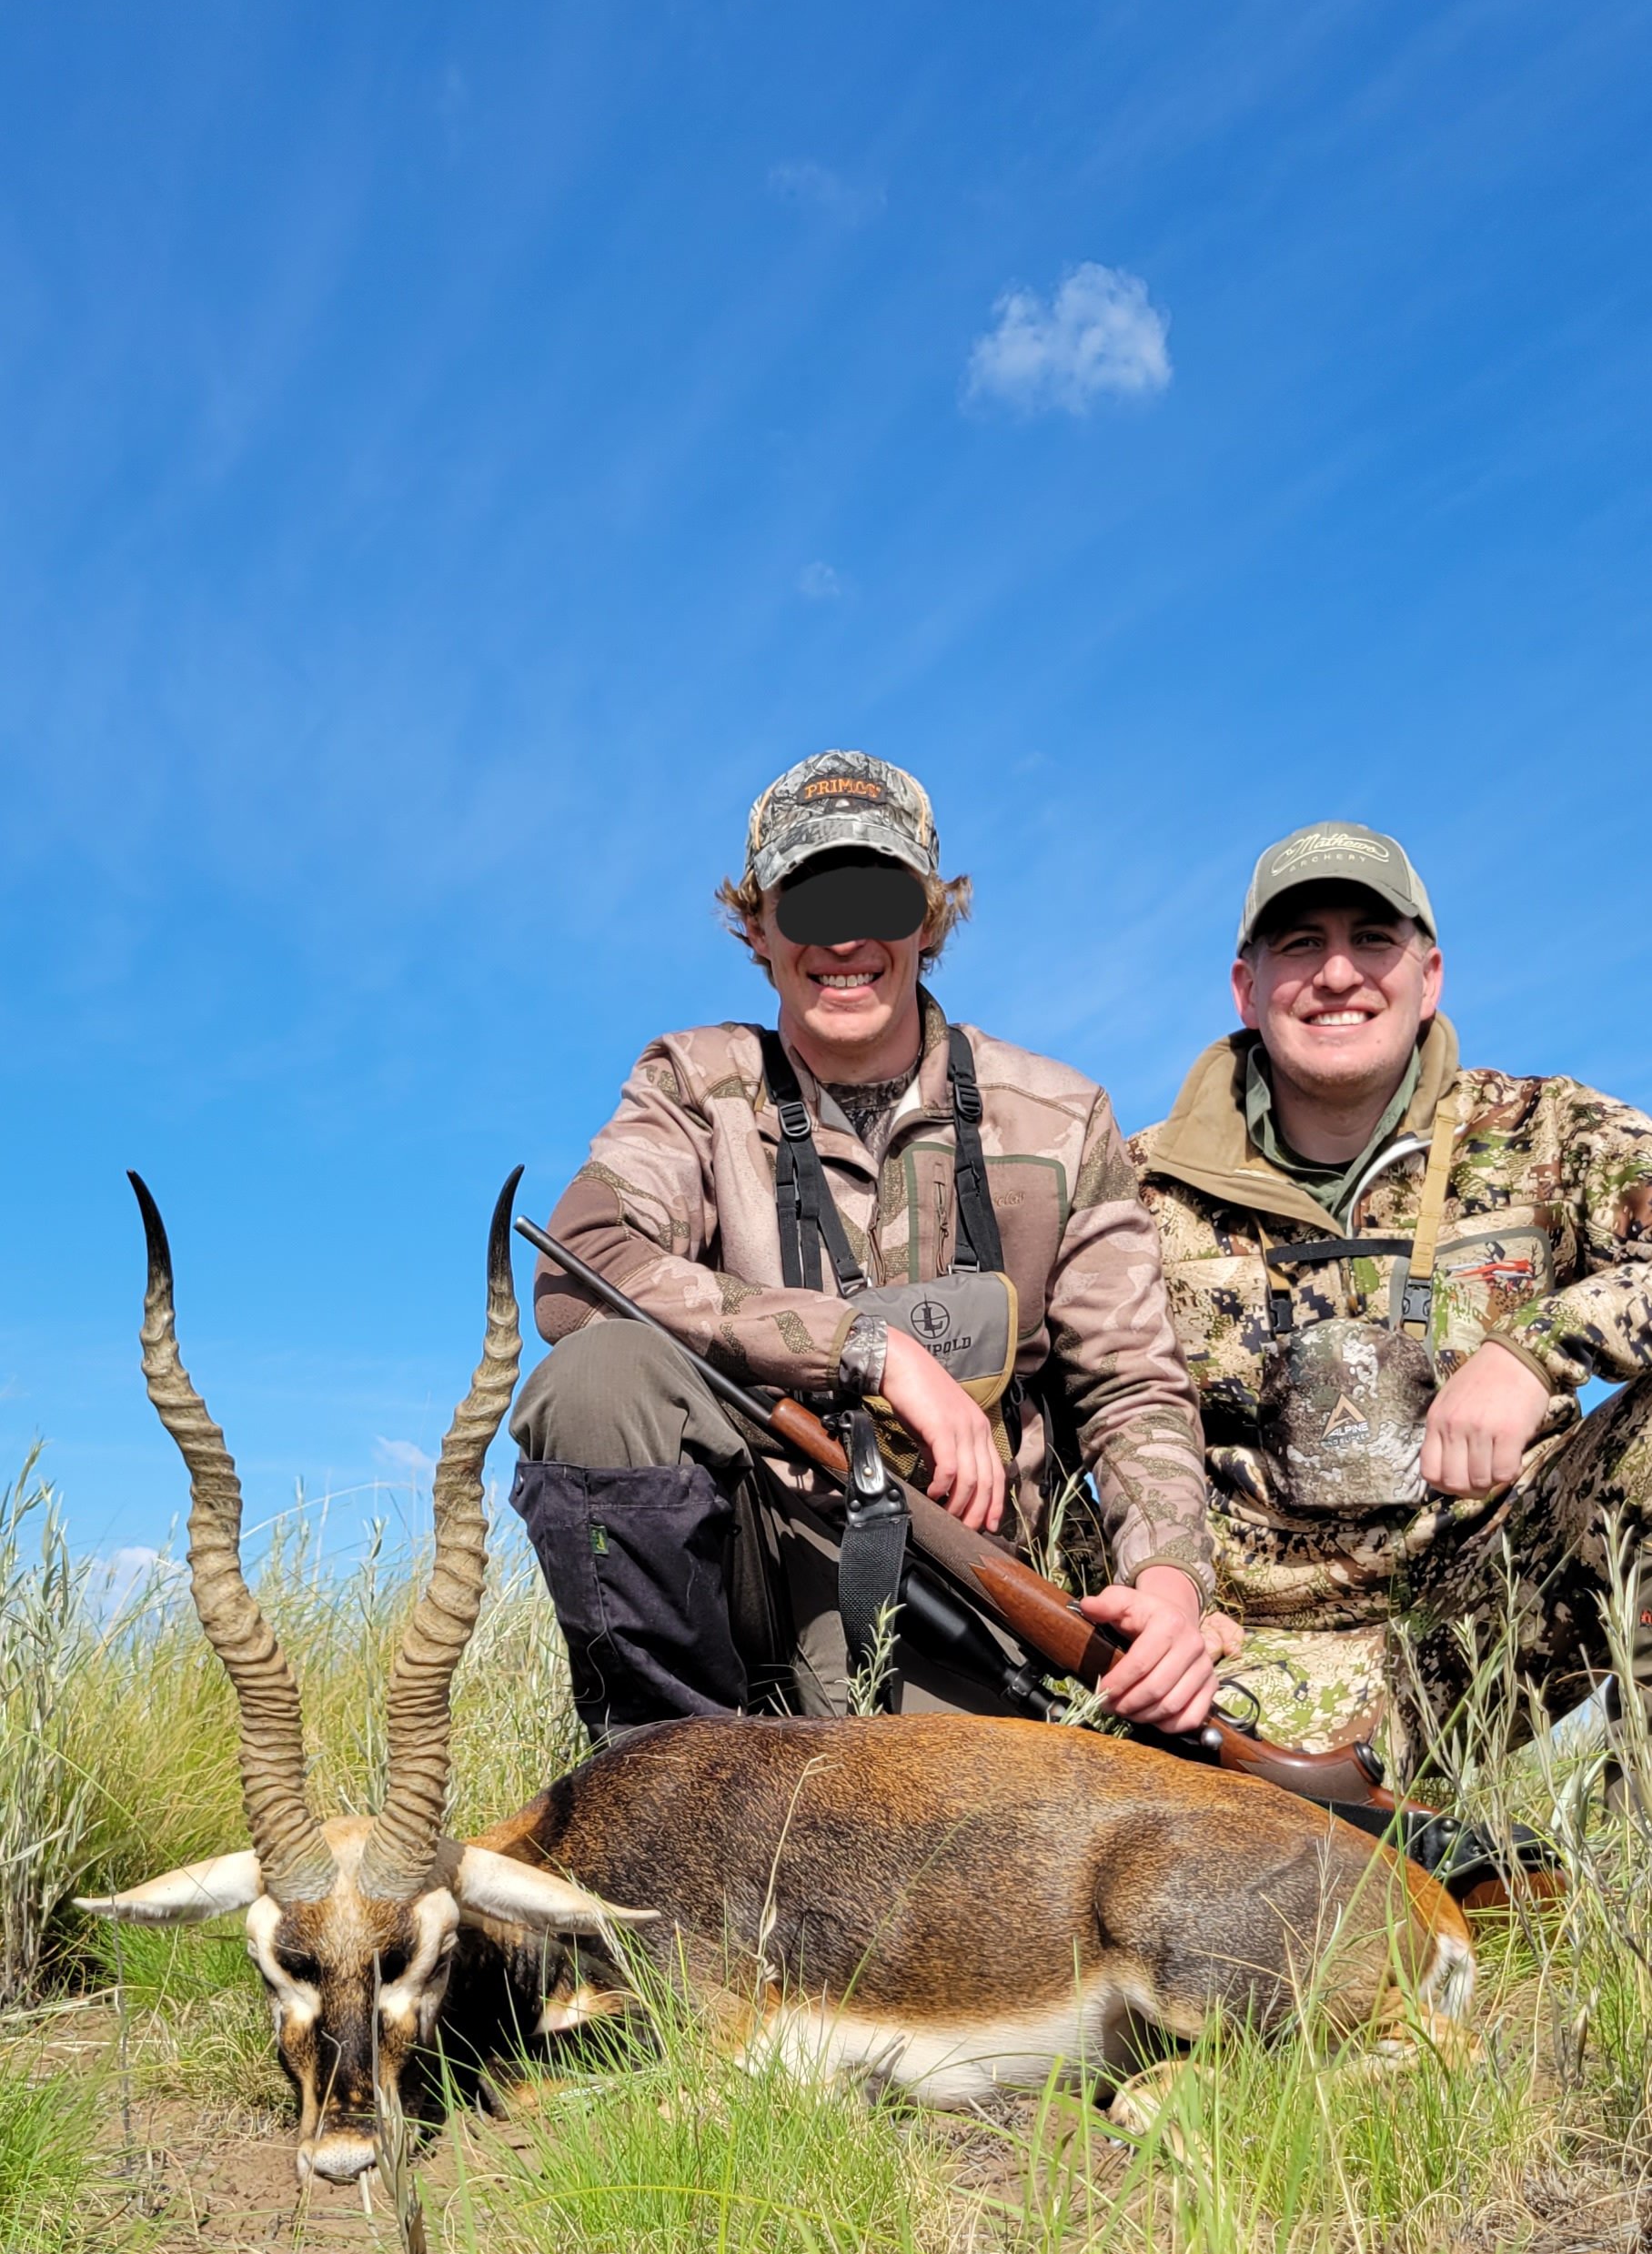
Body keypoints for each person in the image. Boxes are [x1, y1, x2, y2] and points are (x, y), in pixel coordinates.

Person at [511, 748, 1215, 1736]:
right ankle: (662, 1776)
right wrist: (869, 1353)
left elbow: (1132, 1387)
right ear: (756, 926)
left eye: (877, 898)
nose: (844, 939)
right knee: (596, 1379)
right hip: (755, 1566)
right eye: (807, 903)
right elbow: (583, 1271)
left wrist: (1170, 1586)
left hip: (971, 1587)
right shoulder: (692, 1085)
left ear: (929, 917)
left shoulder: (1058, 1116)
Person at [1128, 819, 1652, 1767]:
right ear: (1247, 989)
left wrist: (1534, 1348)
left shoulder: (1543, 1130)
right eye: (1300, 945)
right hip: (1223, 1665)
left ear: (1429, 974)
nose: (1337, 974)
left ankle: (1616, 1888)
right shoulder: (1135, 1187)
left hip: (1486, 1626)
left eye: (1371, 939)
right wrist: (1159, 1588)